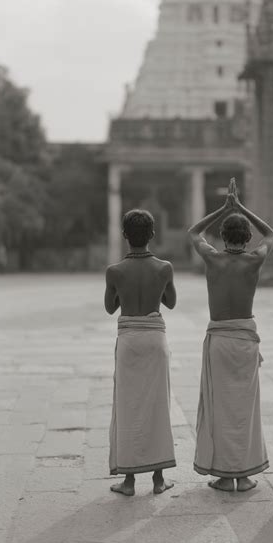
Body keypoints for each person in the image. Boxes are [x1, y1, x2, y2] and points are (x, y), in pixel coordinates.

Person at [188, 178, 273, 492]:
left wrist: (223, 209)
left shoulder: (213, 258)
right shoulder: (254, 260)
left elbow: (193, 233)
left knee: (221, 408)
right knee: (245, 409)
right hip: (245, 341)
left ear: (222, 236)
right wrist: (242, 208)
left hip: (219, 342)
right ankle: (246, 473)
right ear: (247, 238)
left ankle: (225, 476)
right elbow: (271, 234)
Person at [105, 209, 177, 496]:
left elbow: (111, 307)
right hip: (155, 339)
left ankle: (130, 481)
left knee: (128, 408)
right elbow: (170, 301)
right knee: (158, 406)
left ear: (124, 235)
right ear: (152, 234)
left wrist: (123, 289)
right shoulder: (164, 267)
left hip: (129, 341)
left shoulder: (115, 270)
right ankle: (159, 479)